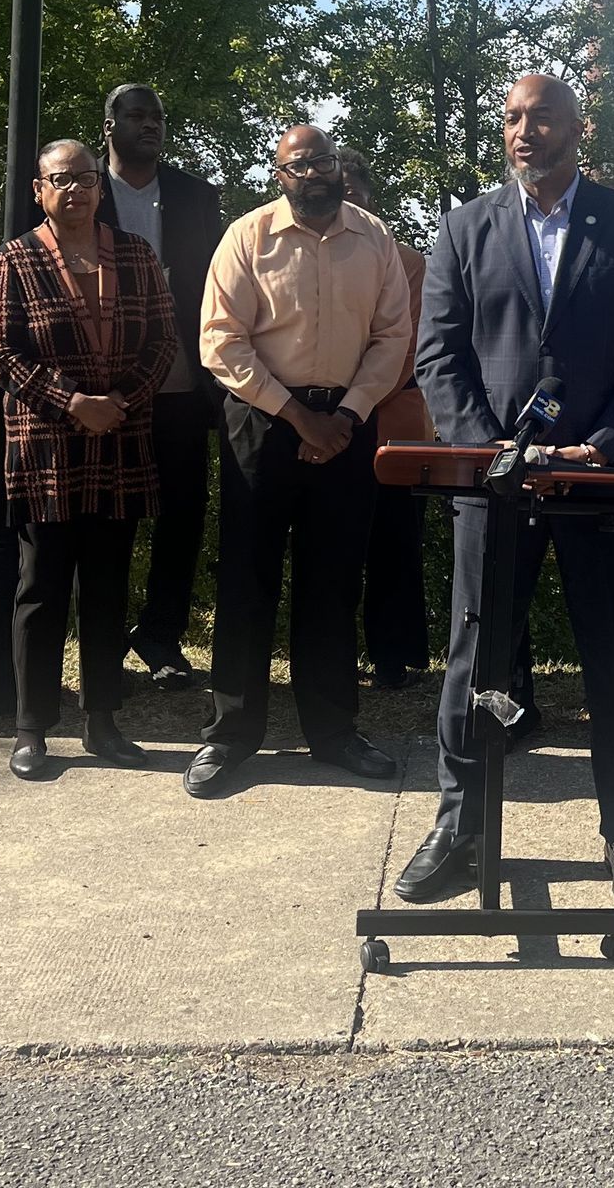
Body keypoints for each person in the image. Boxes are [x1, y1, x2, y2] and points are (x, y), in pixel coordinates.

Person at [394, 75, 614, 913]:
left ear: (577, 129)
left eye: (542, 117)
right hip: (494, 484)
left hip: (601, 479)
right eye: (513, 118)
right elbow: (439, 354)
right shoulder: (464, 227)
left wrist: (608, 444)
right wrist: (487, 448)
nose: (524, 131)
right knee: (473, 657)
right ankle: (460, 825)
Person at [185, 125, 411, 797]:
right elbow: (220, 340)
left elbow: (393, 337)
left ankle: (334, 731)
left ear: (340, 167)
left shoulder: (374, 239)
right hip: (261, 420)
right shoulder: (247, 237)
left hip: (347, 424)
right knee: (247, 578)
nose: (315, 173)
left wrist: (346, 415)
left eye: (324, 162)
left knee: (334, 580)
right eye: (300, 165)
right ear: (279, 175)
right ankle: (231, 734)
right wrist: (296, 415)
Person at [0, 141, 177, 780]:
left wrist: (118, 402)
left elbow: (163, 341)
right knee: (40, 588)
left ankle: (103, 722)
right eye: (61, 180)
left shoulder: (136, 254)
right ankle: (31, 728)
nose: (76, 190)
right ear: (39, 190)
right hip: (47, 447)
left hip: (120, 439)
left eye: (86, 179)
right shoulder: (14, 259)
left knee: (108, 587)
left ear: (100, 187)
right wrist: (73, 403)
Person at [97, 84, 224, 689]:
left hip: (181, 385)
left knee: (181, 518)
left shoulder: (195, 196)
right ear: (110, 125)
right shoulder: (81, 189)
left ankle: (161, 636)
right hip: (105, 390)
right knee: (108, 520)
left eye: (158, 117)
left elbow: (218, 286)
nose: (150, 125)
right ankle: (102, 641)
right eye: (137, 115)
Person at [338, 147, 435, 691]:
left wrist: (350, 404)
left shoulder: (409, 262)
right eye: (340, 191)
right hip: (322, 427)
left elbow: (409, 349)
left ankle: (393, 657)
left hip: (392, 427)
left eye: (356, 191)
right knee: (334, 544)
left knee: (395, 543)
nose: (348, 200)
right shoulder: (307, 260)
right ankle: (330, 653)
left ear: (372, 198)